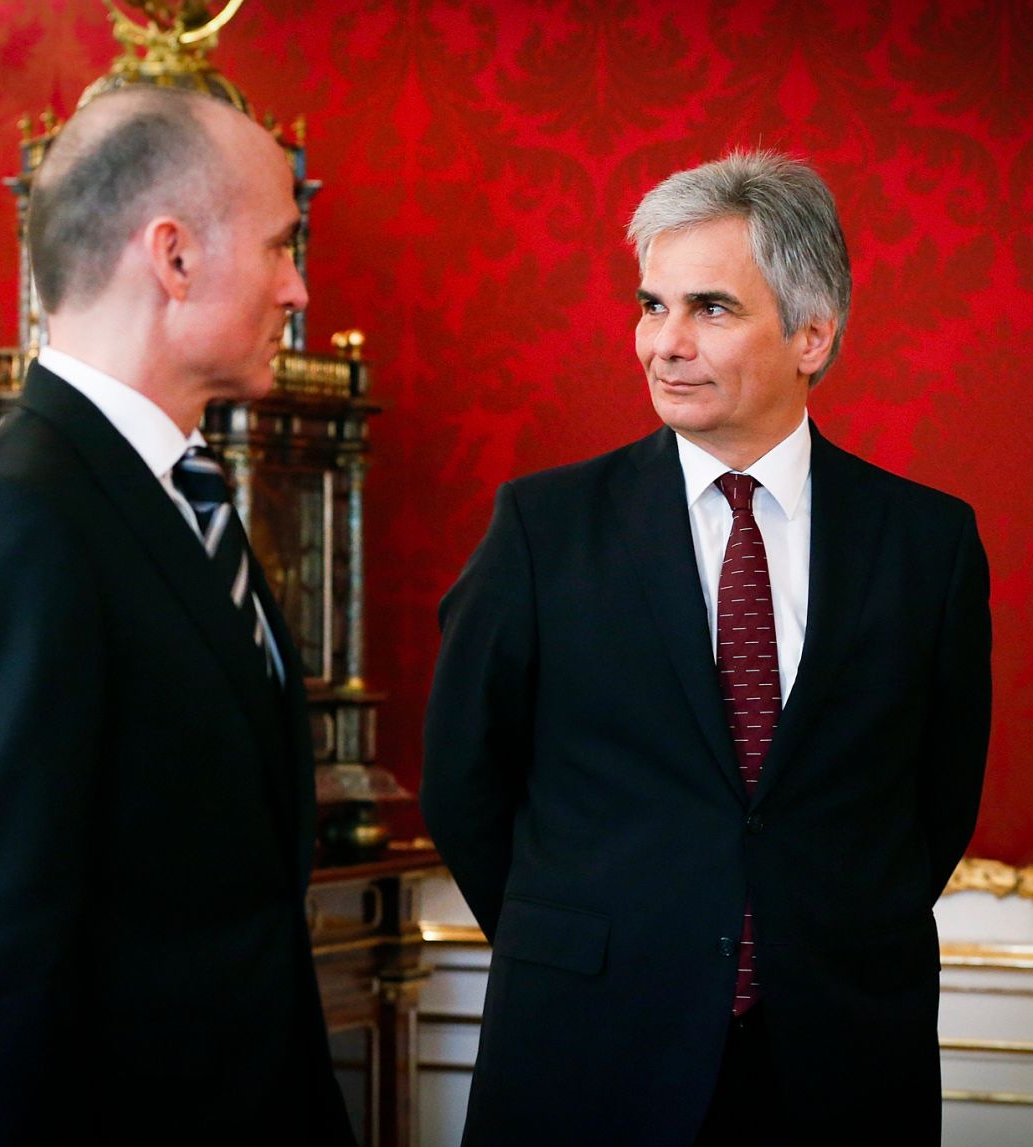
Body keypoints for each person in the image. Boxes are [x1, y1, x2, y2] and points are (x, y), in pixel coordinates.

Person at [421, 150, 991, 1145]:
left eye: (710, 309)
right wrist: (586, 943)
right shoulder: (539, 530)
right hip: (585, 1052)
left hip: (840, 1060)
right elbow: (463, 783)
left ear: (812, 334)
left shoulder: (926, 543)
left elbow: (934, 801)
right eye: (651, 305)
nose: (663, 343)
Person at [0, 85, 354, 1145]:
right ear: (174, 256)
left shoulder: (181, 491)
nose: (296, 286)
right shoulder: (13, 521)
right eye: (283, 245)